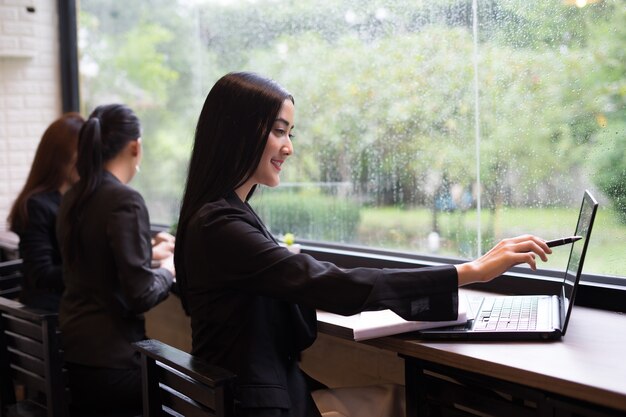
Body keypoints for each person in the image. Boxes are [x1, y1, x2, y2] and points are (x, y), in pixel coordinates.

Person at [174, 72, 552, 417]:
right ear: (237, 131)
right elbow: (324, 283)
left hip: (251, 397)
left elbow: (305, 284)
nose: (288, 147)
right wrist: (470, 272)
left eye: (290, 133)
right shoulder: (219, 224)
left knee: (401, 398)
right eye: (278, 131)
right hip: (261, 405)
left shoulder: (220, 214)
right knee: (413, 402)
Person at [57, 103, 175, 416]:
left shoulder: (73, 196)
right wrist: (168, 269)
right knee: (191, 392)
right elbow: (140, 295)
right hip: (114, 365)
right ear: (135, 146)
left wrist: (149, 258)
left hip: (74, 355)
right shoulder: (125, 199)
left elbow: (99, 263)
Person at [7, 113, 84, 311]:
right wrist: (94, 269)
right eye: (83, 151)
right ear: (62, 156)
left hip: (71, 309)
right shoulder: (36, 206)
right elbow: (42, 274)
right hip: (49, 319)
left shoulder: (77, 200)